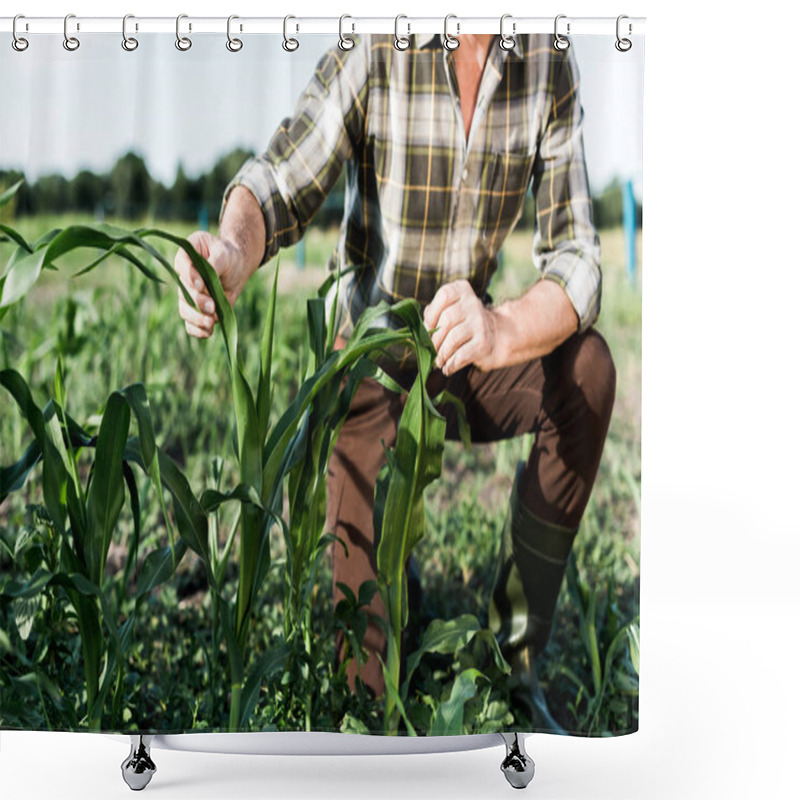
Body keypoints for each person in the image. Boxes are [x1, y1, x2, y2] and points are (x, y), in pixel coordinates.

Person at [174, 32, 616, 731]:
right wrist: (230, 247)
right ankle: (389, 596)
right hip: (370, 364)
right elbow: (280, 180)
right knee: (367, 689)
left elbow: (578, 257)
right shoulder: (377, 42)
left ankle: (518, 659)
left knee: (586, 369)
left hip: (466, 349)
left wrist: (499, 327)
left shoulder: (546, 59)